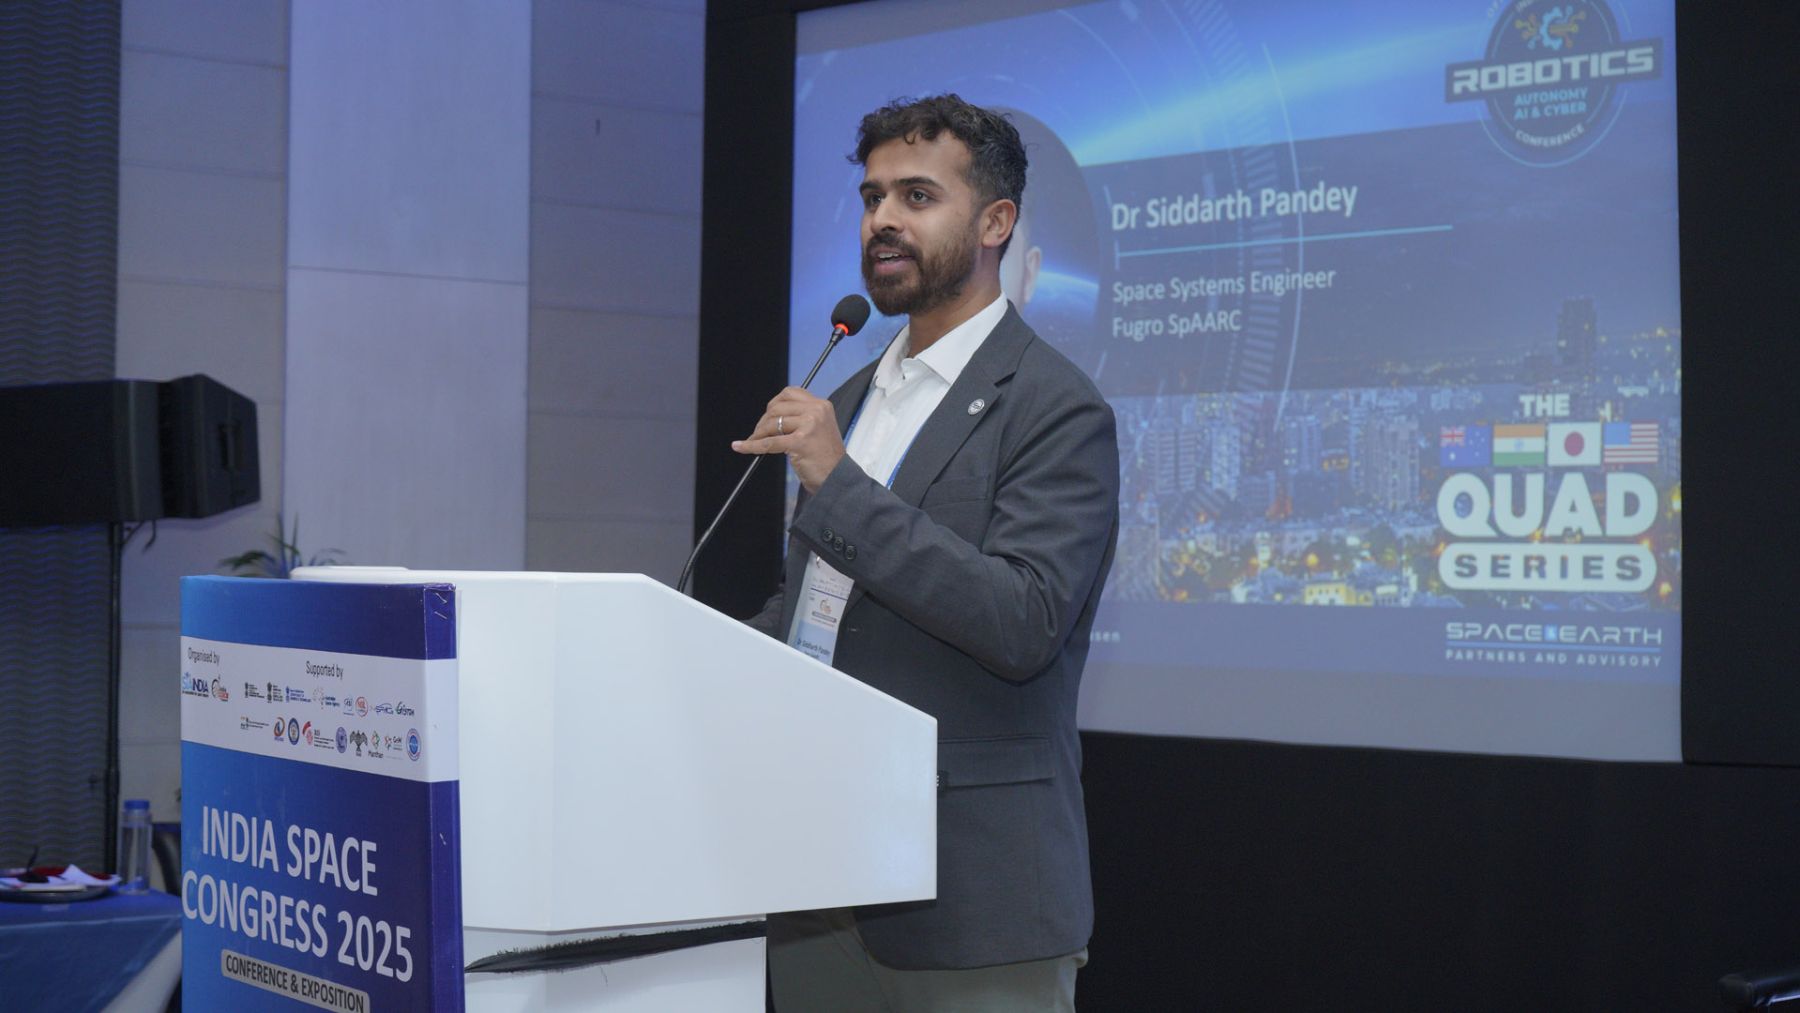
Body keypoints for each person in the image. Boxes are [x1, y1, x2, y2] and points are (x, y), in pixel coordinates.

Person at [731, 94, 1120, 1011]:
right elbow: (820, 607)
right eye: (873, 198)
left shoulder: (1056, 407)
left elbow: (1022, 620)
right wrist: (692, 646)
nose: (883, 220)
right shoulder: (853, 394)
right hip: (818, 884)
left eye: (917, 196)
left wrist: (839, 483)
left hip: (971, 897)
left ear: (996, 223)